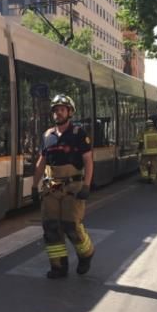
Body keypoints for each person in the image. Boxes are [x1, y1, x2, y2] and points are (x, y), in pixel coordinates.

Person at [31, 94, 95, 278]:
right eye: (55, 110)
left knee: (71, 226)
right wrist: (34, 186)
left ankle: (86, 254)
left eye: (62, 109)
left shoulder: (78, 134)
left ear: (69, 112)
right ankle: (58, 267)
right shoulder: (47, 135)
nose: (58, 113)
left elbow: (88, 162)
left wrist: (87, 186)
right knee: (51, 227)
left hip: (72, 188)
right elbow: (41, 162)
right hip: (51, 188)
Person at [137, 119, 157, 183]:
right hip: (156, 152)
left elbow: (140, 142)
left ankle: (146, 177)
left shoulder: (143, 133)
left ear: (146, 125)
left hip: (146, 152)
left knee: (143, 164)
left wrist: (139, 150)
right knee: (154, 165)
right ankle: (152, 178)